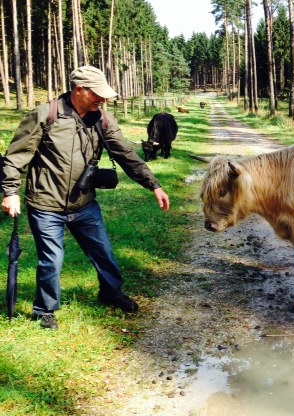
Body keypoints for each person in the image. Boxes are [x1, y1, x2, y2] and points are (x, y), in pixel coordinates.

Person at [1, 65, 170, 329]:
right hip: (46, 204)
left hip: (84, 203)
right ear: (79, 90)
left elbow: (126, 154)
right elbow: (15, 157)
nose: (102, 99)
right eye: (97, 94)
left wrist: (154, 185)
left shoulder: (102, 119)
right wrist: (11, 192)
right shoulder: (46, 115)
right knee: (51, 260)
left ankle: (111, 294)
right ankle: (44, 310)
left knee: (103, 253)